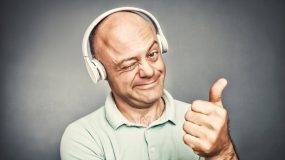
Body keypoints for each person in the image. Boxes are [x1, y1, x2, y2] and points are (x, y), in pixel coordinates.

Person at [60, 7, 238, 160]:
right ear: (100, 72)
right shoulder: (82, 137)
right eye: (129, 65)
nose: (149, 71)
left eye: (152, 54)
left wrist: (222, 152)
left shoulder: (202, 123)